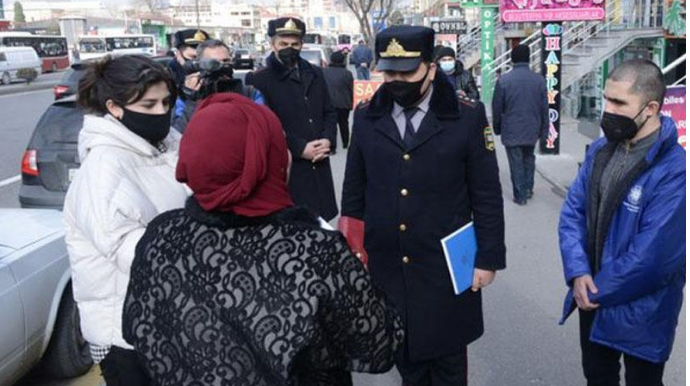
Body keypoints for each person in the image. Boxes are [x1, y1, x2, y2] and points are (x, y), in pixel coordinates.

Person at [122, 93, 404, 386]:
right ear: (264, 163)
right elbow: (379, 345)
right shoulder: (312, 249)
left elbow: (138, 331)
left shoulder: (161, 236)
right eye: (278, 146)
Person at [341, 26, 506, 386]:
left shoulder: (466, 116)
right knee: (408, 360)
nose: (397, 81)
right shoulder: (367, 117)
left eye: (408, 72)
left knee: (448, 361)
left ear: (431, 68)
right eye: (390, 72)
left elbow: (487, 194)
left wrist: (488, 258)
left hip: (445, 264)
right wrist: (351, 251)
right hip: (387, 261)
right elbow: (354, 191)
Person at [559, 59, 686, 386]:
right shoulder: (601, 149)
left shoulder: (675, 169)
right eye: (606, 99)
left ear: (651, 108)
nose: (608, 110)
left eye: (618, 103)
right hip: (591, 295)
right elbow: (573, 212)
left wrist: (594, 289)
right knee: (597, 378)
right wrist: (578, 272)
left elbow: (655, 257)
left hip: (643, 310)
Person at [63, 55, 189, 386]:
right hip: (125, 334)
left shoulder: (165, 144)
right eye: (148, 105)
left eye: (166, 102)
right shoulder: (104, 167)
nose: (161, 112)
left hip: (166, 319)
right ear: (114, 108)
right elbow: (127, 249)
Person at [246, 18, 339, 222]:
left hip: (320, 163)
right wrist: (299, 148)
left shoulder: (314, 72)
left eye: (295, 44)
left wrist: (328, 139)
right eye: (284, 44)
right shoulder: (259, 79)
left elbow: (329, 112)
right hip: (289, 169)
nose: (290, 48)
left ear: (301, 44)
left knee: (324, 228)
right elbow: (266, 128)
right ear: (272, 44)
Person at [491, 44, 549, 206]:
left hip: (511, 129)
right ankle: (529, 188)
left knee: (516, 161)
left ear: (512, 59)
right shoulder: (539, 80)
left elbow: (497, 108)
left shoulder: (503, 81)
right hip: (533, 128)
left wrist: (497, 127)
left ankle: (520, 195)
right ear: (529, 58)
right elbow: (545, 108)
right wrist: (544, 131)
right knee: (529, 158)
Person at [173, 39, 264, 133]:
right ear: (200, 65)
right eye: (214, 63)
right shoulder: (188, 97)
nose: (222, 66)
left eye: (226, 61)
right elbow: (179, 134)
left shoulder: (249, 93)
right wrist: (192, 102)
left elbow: (263, 126)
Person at [323, 50, 354, 151]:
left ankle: (332, 147)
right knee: (344, 124)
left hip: (328, 103)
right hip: (344, 103)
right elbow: (351, 89)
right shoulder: (347, 74)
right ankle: (345, 144)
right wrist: (351, 103)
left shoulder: (324, 72)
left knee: (331, 125)